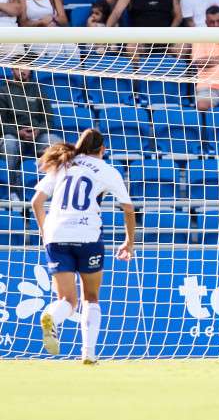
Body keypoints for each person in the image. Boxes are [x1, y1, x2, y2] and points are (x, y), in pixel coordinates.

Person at [31, 129, 136, 364]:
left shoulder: (63, 164)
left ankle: (51, 315)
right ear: (102, 150)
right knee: (91, 297)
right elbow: (128, 209)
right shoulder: (107, 170)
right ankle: (88, 354)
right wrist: (129, 242)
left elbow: (36, 201)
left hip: (56, 235)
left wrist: (44, 230)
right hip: (87, 235)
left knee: (67, 300)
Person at [0, 67, 62, 201]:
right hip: (14, 135)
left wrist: (38, 130)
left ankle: (59, 188)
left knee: (56, 143)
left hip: (37, 135)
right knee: (9, 144)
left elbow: (49, 120)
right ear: (12, 70)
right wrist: (18, 131)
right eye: (18, 68)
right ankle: (12, 190)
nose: (22, 71)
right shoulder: (3, 91)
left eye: (25, 68)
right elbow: (1, 124)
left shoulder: (38, 89)